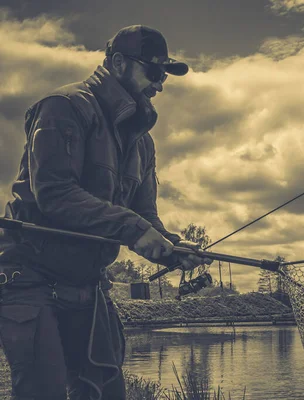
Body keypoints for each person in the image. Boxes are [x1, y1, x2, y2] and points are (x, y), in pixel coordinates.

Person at [0, 25, 209, 400]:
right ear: (117, 63)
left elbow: (144, 216)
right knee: (41, 391)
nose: (160, 84)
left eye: (165, 75)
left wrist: (173, 246)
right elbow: (55, 195)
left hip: (88, 284)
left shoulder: (143, 143)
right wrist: (134, 229)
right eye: (154, 72)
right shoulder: (63, 107)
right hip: (28, 277)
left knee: (106, 390)